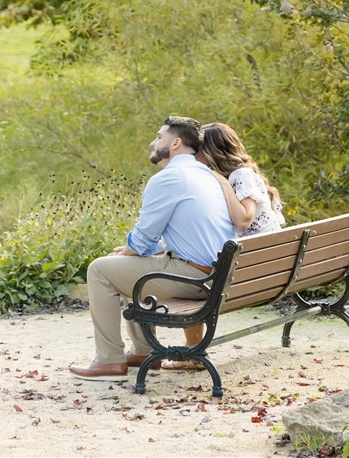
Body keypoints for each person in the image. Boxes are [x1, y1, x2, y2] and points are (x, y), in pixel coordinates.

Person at [69, 115, 235, 382]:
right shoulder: (207, 177)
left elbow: (144, 236)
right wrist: (129, 253)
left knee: (100, 269)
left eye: (159, 137)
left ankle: (109, 362)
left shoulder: (170, 178)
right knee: (124, 264)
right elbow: (184, 232)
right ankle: (144, 352)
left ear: (176, 143)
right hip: (213, 276)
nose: (152, 142)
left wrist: (127, 254)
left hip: (194, 278)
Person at [162, 120, 284, 371]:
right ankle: (190, 350)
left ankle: (191, 352)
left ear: (212, 151)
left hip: (251, 271)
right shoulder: (245, 176)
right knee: (187, 262)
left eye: (198, 151)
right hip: (268, 267)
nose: (194, 157)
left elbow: (244, 219)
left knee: (187, 270)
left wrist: (221, 181)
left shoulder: (240, 176)